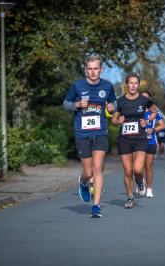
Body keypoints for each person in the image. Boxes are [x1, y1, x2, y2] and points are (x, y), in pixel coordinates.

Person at [63, 54, 116, 218]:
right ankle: (84, 182)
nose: (93, 72)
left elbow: (113, 103)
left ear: (101, 69)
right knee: (88, 172)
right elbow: (66, 104)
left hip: (100, 132)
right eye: (90, 69)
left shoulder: (107, 86)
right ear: (86, 70)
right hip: (82, 133)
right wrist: (76, 105)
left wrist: (111, 107)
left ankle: (96, 206)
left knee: (97, 168)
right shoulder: (77, 86)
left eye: (96, 69)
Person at [112, 73, 158, 208]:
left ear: (138, 85)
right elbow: (114, 120)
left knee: (138, 169)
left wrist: (148, 120)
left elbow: (155, 112)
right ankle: (130, 198)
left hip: (140, 139)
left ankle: (140, 183)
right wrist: (118, 120)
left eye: (135, 83)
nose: (133, 85)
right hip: (124, 139)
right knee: (127, 171)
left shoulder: (144, 100)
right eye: (130, 83)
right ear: (126, 85)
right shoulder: (120, 101)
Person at [141, 90, 165, 198]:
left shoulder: (154, 112)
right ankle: (140, 182)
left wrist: (153, 129)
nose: (144, 100)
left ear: (150, 99)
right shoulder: (136, 110)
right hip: (138, 141)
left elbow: (162, 125)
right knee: (138, 166)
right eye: (142, 97)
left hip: (151, 141)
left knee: (148, 166)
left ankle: (149, 188)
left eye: (147, 98)